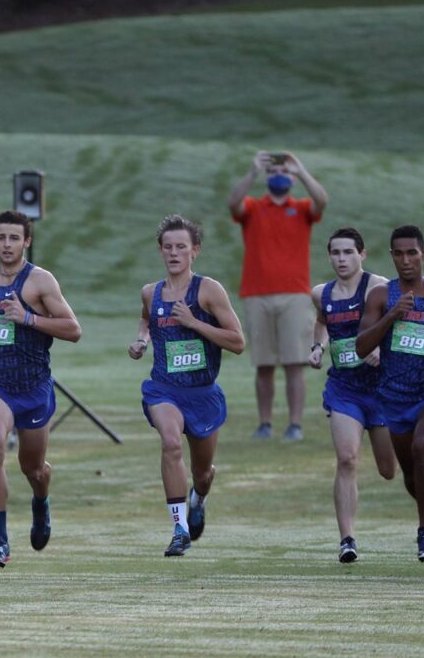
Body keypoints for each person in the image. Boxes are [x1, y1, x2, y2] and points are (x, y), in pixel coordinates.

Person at [0, 210, 82, 569]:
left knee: (33, 468)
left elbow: (73, 329)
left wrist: (28, 318)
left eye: (14, 238)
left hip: (33, 387)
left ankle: (41, 501)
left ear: (27, 241)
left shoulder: (39, 282)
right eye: (0, 238)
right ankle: (0, 540)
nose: (6, 245)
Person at [128, 215, 245, 557]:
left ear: (195, 251)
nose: (174, 253)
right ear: (160, 251)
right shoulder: (151, 292)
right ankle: (179, 529)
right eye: (168, 247)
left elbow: (238, 342)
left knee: (203, 472)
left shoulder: (208, 290)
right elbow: (146, 318)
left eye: (181, 247)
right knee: (170, 443)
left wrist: (194, 323)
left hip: (203, 394)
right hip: (163, 389)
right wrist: (140, 341)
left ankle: (199, 498)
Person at [356, 225, 424, 562]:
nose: (406, 260)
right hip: (395, 396)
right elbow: (361, 346)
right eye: (399, 253)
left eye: (412, 253)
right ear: (392, 256)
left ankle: (423, 532)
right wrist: (392, 316)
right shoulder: (382, 297)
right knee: (411, 471)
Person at [308, 227, 395, 563]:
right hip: (344, 389)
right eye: (335, 253)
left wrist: (381, 351)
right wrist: (318, 347)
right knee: (347, 459)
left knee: (389, 470)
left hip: (381, 389)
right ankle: (347, 539)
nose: (341, 259)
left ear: (362, 254)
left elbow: (397, 324)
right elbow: (323, 320)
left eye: (348, 252)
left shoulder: (378, 287)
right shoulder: (321, 293)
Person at [229, 150, 328, 441]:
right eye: (274, 173)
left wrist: (302, 171)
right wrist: (253, 173)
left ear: (293, 178)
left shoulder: (301, 209)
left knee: (295, 363)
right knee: (264, 364)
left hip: (296, 295)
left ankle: (295, 424)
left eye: (284, 173)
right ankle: (265, 423)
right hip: (256, 294)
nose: (279, 177)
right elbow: (233, 204)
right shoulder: (253, 207)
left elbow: (322, 201)